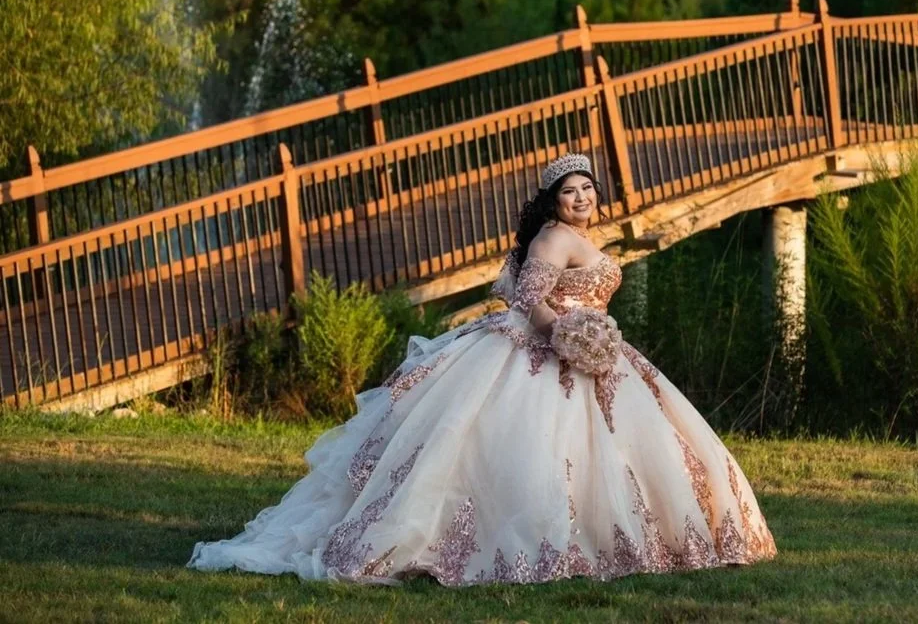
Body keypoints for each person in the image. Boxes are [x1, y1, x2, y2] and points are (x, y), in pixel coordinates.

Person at [188, 153, 776, 586]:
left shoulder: (577, 236)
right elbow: (528, 297)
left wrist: (591, 335)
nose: (582, 198)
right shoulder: (554, 236)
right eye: (570, 191)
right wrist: (570, 335)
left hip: (596, 348)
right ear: (552, 201)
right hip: (550, 348)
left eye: (588, 189)